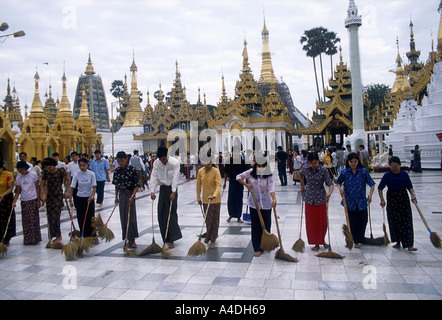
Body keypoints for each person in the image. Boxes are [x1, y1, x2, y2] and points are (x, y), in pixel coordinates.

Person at [237, 153, 277, 257]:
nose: (261, 168)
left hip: (266, 204)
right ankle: (257, 248)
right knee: (256, 226)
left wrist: (274, 198)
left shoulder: (269, 174)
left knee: (266, 225)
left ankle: (265, 245)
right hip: (254, 204)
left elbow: (271, 187)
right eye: (259, 165)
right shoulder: (250, 173)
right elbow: (238, 177)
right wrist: (247, 185)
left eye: (263, 166)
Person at [378, 156, 417, 251]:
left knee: (406, 221)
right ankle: (397, 241)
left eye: (396, 166)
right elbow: (380, 188)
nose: (394, 169)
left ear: (400, 165)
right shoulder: (387, 175)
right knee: (394, 221)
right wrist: (382, 199)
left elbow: (410, 186)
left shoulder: (404, 174)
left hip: (403, 198)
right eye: (392, 167)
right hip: (392, 198)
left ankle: (409, 244)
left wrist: (413, 195)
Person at [336, 152, 376, 248]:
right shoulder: (345, 172)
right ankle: (356, 240)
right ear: (348, 162)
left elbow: (372, 184)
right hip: (350, 201)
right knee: (352, 221)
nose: (353, 163)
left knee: (363, 220)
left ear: (358, 161)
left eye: (355, 161)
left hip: (361, 201)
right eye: (351, 162)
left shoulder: (363, 171)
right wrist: (340, 189)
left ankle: (360, 237)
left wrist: (370, 195)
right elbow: (338, 181)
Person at [299, 152, 334, 251]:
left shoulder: (323, 170)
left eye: (316, 162)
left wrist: (329, 193)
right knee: (312, 222)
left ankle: (322, 240)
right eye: (312, 163)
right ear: (308, 162)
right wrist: (302, 185)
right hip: (309, 198)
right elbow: (299, 174)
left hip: (321, 198)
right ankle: (316, 243)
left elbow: (330, 183)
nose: (314, 165)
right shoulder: (305, 168)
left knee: (322, 222)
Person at [150, 146, 182, 248]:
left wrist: (173, 192)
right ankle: (165, 238)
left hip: (171, 189)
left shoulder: (175, 162)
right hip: (163, 189)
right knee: (161, 213)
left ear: (167, 156)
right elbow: (154, 176)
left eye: (164, 159)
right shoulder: (156, 163)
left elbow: (175, 178)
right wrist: (152, 191)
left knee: (171, 214)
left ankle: (171, 239)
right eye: (161, 159)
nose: (162, 161)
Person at [112, 151, 140, 249]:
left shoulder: (132, 170)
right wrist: (116, 197)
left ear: (126, 160)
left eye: (122, 161)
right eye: (119, 161)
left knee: (131, 217)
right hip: (122, 194)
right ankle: (127, 238)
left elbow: (136, 186)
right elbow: (116, 186)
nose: (120, 163)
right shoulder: (117, 171)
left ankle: (133, 240)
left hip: (130, 194)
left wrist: (132, 196)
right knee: (123, 217)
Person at [41, 157, 69, 247]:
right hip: (49, 196)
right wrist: (43, 194)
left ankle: (58, 235)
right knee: (49, 216)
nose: (49, 169)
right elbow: (42, 184)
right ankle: (51, 235)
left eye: (50, 167)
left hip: (58, 196)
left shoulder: (60, 171)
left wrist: (66, 191)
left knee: (56, 216)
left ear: (53, 165)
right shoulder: (45, 172)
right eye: (47, 167)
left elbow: (68, 180)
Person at [12, 161, 41, 245]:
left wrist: (38, 200)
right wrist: (14, 202)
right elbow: (17, 191)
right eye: (20, 170)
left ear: (26, 168)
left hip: (33, 199)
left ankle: (35, 238)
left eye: (23, 170)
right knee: (26, 220)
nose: (22, 172)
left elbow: (37, 187)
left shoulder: (33, 175)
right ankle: (28, 239)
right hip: (24, 200)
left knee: (33, 219)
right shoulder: (18, 177)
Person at [196, 156, 222, 249]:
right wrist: (198, 197)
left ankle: (213, 240)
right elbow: (198, 185)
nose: (206, 165)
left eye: (208, 163)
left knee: (214, 220)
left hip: (215, 200)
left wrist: (214, 195)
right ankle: (209, 235)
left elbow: (219, 184)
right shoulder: (200, 171)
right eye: (204, 163)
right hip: (206, 200)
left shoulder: (216, 171)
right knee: (208, 220)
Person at [69, 158, 97, 241]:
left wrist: (92, 196)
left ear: (87, 165)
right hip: (79, 198)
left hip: (89, 199)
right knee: (81, 217)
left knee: (90, 217)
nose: (82, 167)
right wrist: (70, 199)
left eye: (84, 165)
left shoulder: (91, 174)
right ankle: (83, 234)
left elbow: (94, 187)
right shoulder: (76, 175)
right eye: (80, 165)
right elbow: (72, 188)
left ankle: (93, 235)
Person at [223, 145, 247, 223]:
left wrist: (247, 182)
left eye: (237, 151)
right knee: (231, 199)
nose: (236, 153)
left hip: (240, 183)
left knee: (239, 199)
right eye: (234, 151)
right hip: (232, 182)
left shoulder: (242, 161)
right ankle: (230, 215)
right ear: (232, 152)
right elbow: (225, 172)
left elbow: (246, 172)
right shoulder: (228, 161)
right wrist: (224, 183)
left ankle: (238, 217)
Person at [0, 161, 15, 247]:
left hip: (6, 200)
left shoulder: (8, 175)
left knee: (5, 219)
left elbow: (10, 188)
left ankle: (5, 239)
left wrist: (3, 195)